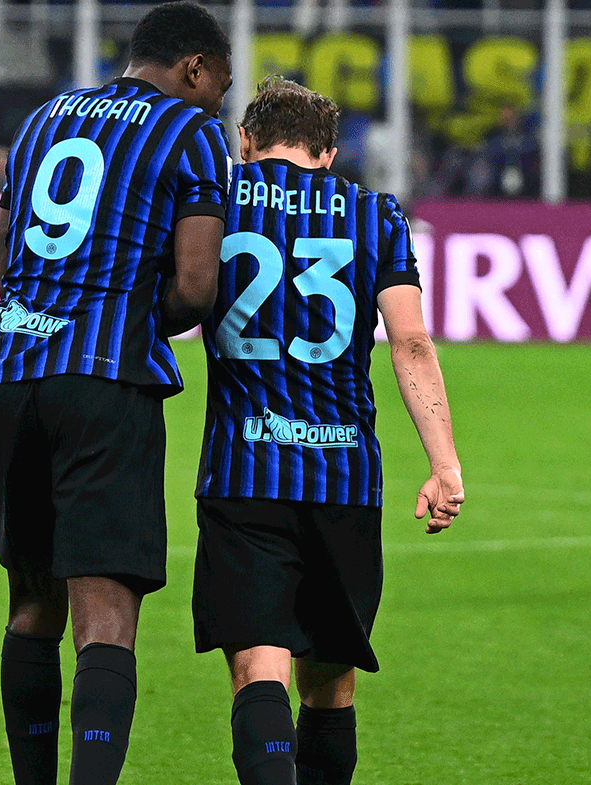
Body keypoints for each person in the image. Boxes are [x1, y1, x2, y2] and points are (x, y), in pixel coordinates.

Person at [0, 4, 233, 784]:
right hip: (103, 382)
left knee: (31, 602)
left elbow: (4, 241)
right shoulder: (189, 131)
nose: (216, 102)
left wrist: (32, 313)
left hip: (9, 374)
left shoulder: (44, 118)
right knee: (105, 616)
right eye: (216, 86)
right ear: (193, 67)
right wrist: (138, 317)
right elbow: (197, 284)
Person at [193, 77, 465, 785]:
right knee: (330, 686)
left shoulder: (219, 199)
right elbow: (410, 342)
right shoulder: (375, 214)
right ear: (330, 153)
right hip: (343, 479)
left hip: (244, 470)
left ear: (244, 141)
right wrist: (444, 464)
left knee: (259, 670)